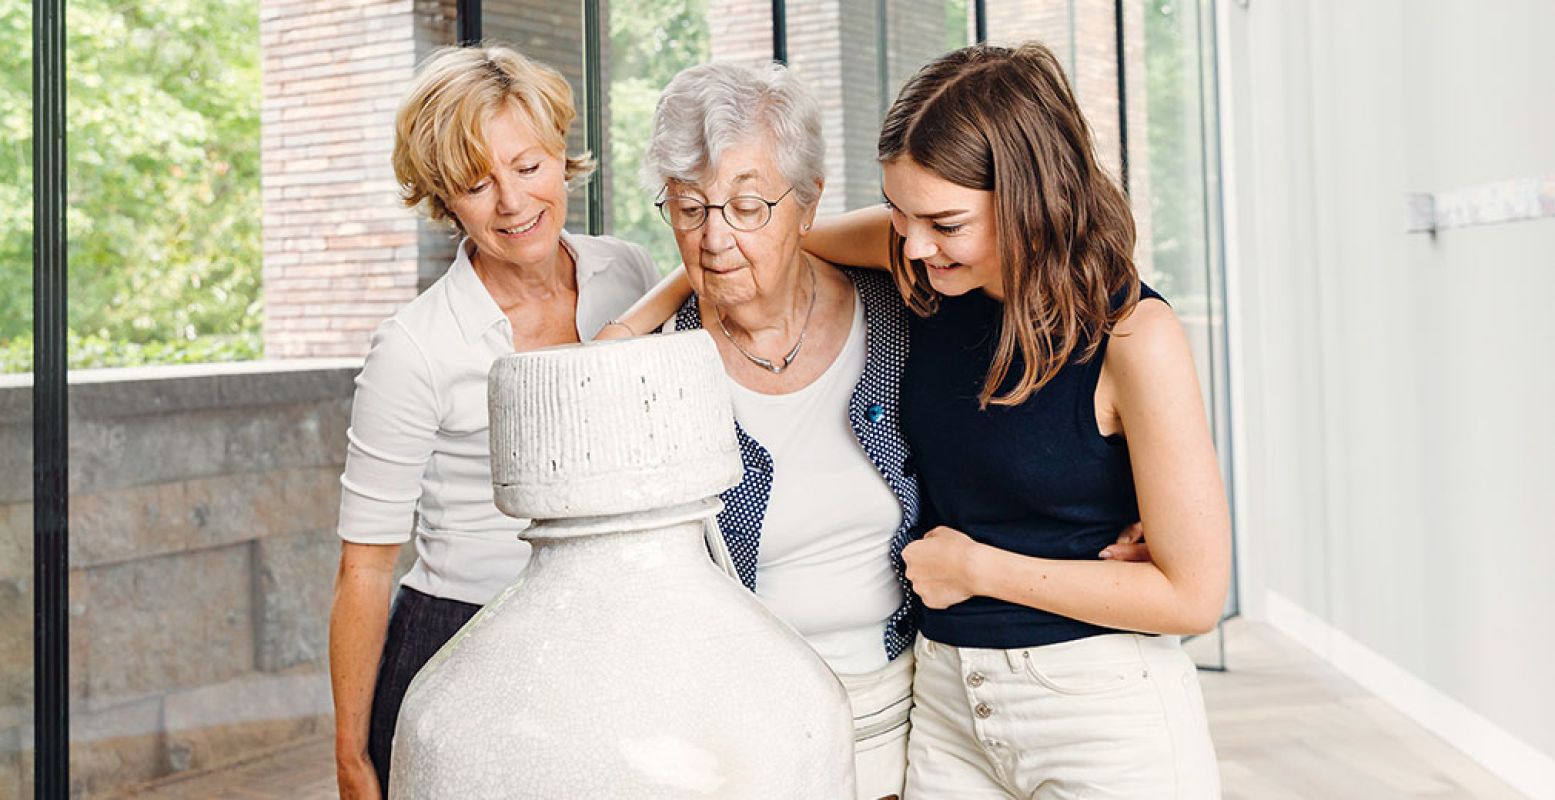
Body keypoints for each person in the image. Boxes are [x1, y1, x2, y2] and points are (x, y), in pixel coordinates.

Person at [801, 42, 1231, 797]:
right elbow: (770, 243)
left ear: (1033, 198)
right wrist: (642, 316)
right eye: (898, 213)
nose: (912, 243)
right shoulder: (923, 265)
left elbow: (1190, 596)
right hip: (944, 704)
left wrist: (977, 569)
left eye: (943, 221)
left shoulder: (1133, 337)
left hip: (1100, 713)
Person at [326, 44, 664, 799]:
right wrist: (352, 757)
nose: (511, 202)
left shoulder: (629, 273)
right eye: (476, 183)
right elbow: (366, 565)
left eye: (528, 165)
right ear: (444, 198)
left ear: (560, 157)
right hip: (460, 641)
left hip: (609, 633)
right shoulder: (415, 347)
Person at [629, 61, 921, 800]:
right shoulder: (659, 365)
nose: (714, 237)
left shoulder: (901, 314)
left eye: (747, 205)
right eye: (688, 208)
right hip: (738, 742)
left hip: (914, 714)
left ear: (808, 203)